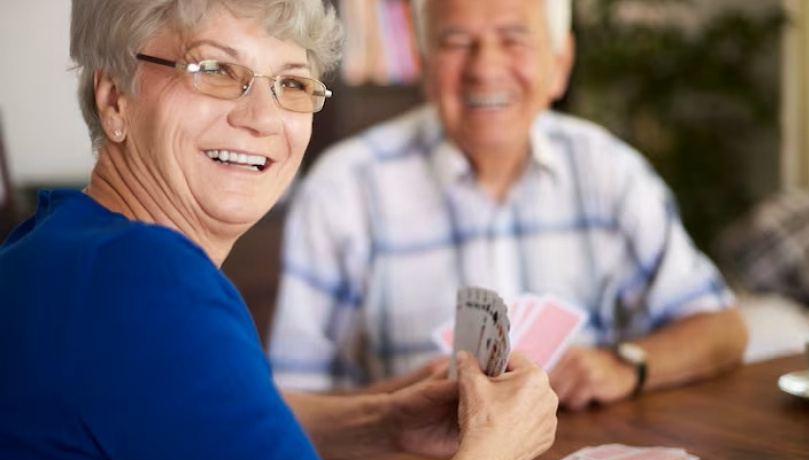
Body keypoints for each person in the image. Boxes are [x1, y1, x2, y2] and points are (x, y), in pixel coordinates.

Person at [0, 1, 559, 460]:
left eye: (292, 83)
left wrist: (376, 423)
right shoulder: (148, 281)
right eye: (215, 68)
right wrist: (494, 448)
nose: (263, 118)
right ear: (113, 96)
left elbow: (176, 419)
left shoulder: (63, 245)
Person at [268, 0, 749, 409]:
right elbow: (287, 404)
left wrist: (626, 364)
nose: (486, 68)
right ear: (425, 63)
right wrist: (400, 404)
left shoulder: (609, 170)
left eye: (514, 39)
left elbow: (723, 328)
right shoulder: (343, 187)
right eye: (458, 42)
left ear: (560, 65)